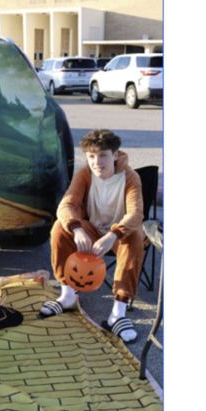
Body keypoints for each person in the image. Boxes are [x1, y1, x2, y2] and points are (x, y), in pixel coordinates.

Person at [41, 129, 144, 342]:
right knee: (61, 226)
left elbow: (135, 214)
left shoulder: (130, 176)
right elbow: (66, 205)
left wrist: (113, 235)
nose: (97, 162)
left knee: (134, 236)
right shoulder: (85, 173)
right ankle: (68, 295)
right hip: (92, 230)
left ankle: (118, 312)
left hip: (118, 236)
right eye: (91, 156)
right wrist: (77, 228)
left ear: (115, 155)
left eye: (103, 155)